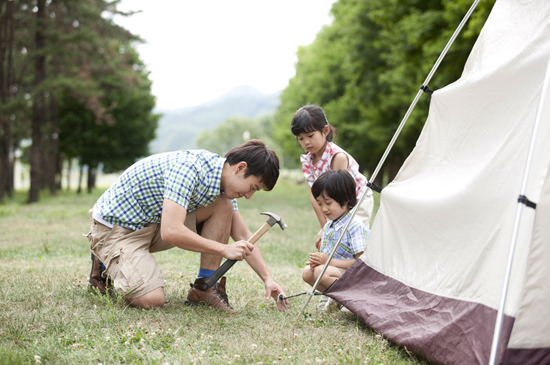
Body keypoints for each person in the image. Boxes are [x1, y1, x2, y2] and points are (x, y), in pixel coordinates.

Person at [87, 139, 288, 312]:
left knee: (223, 206)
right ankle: (103, 261)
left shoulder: (223, 186)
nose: (249, 196)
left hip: (151, 223)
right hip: (117, 230)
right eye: (252, 187)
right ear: (240, 168)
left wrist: (267, 279)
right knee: (151, 300)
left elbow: (243, 234)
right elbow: (171, 231)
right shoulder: (189, 168)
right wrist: (224, 249)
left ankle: (204, 287)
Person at [290, 104, 374, 251]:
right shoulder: (309, 160)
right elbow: (314, 195)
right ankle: (335, 271)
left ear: (325, 131)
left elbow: (339, 195)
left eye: (310, 136)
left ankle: (356, 271)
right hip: (333, 202)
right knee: (332, 240)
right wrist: (325, 227)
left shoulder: (337, 157)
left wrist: (329, 229)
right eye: (301, 138)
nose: (306, 142)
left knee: (351, 242)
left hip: (356, 201)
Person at [301, 170, 369, 311]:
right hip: (336, 271)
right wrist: (317, 261)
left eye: (328, 203)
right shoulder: (329, 225)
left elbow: (362, 264)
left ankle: (349, 299)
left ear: (345, 200)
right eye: (319, 204)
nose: (323, 209)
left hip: (356, 278)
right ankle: (332, 296)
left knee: (322, 271)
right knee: (308, 272)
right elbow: (326, 257)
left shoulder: (354, 225)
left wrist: (327, 262)